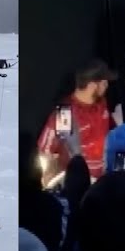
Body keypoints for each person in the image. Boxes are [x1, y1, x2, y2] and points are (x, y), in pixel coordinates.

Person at [37, 58, 118, 186]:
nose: (107, 86)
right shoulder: (65, 114)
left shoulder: (102, 104)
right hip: (79, 186)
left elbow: (114, 132)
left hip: (104, 183)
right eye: (104, 82)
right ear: (92, 85)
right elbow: (45, 150)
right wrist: (49, 180)